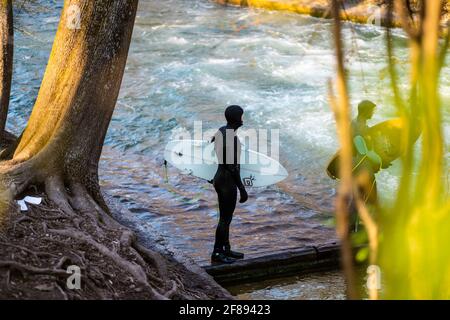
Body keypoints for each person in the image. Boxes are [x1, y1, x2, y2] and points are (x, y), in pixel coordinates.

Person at [210, 105, 248, 264]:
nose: (243, 119)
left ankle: (226, 249)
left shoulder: (221, 130)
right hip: (227, 182)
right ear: (237, 118)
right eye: (242, 116)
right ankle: (217, 253)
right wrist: (242, 189)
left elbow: (212, 146)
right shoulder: (231, 137)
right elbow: (233, 167)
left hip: (219, 177)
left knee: (226, 218)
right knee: (225, 219)